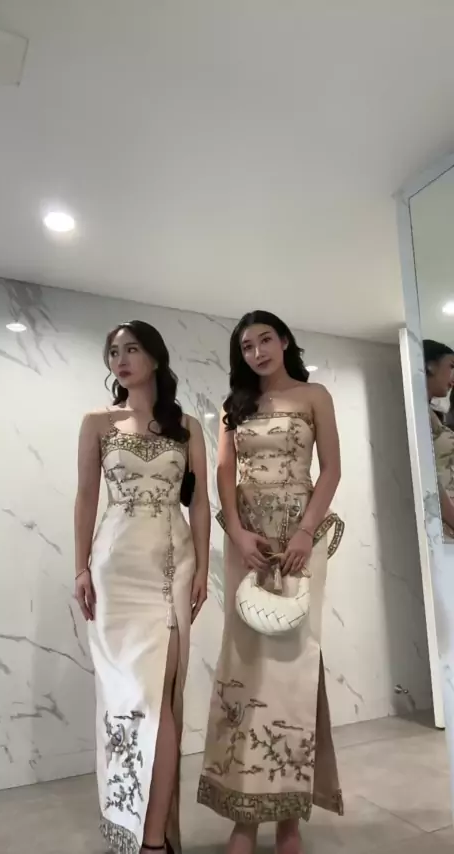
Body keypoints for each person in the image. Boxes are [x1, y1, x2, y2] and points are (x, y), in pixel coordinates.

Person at [197, 310, 344, 854]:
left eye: (265, 340)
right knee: (244, 667)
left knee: (294, 668)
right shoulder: (234, 406)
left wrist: (305, 532)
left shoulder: (314, 395)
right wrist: (236, 533)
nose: (257, 352)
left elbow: (331, 469)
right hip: (248, 544)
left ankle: (288, 817)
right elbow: (223, 474)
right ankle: (244, 816)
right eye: (247, 346)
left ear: (284, 341)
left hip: (300, 542)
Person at [74, 321, 210, 854]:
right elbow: (87, 497)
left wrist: (203, 569)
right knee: (125, 699)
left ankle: (153, 839)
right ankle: (129, 822)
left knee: (161, 699)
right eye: (113, 352)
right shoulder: (97, 423)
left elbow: (200, 502)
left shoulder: (187, 427)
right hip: (115, 569)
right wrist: (81, 568)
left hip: (170, 568)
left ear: (155, 357)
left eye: (131, 349)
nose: (121, 359)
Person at [423, 339, 454, 539]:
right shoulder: (419, 414)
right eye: (451, 366)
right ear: (430, 366)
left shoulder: (431, 414)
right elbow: (428, 476)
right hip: (442, 526)